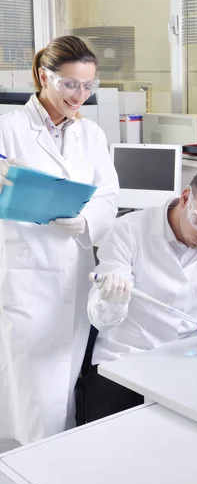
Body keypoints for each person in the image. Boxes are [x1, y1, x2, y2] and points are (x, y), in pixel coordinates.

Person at [0, 36, 119, 445]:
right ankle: (30, 470)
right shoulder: (8, 128)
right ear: (42, 77)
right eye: (70, 84)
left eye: (88, 86)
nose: (80, 95)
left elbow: (108, 194)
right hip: (25, 273)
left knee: (63, 383)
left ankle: (51, 464)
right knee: (32, 391)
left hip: (73, 271)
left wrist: (85, 219)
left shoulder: (92, 134)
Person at [85, 161, 197, 421]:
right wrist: (111, 301)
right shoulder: (129, 230)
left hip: (185, 363)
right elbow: (101, 319)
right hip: (125, 363)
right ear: (185, 197)